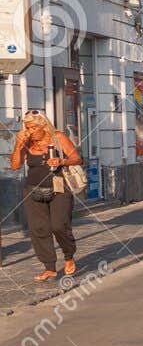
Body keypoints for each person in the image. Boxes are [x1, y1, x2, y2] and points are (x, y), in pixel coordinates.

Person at [8, 110, 81, 281]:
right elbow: (15, 166)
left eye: (33, 127)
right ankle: (49, 267)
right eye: (27, 127)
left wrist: (61, 161)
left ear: (43, 126)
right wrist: (19, 145)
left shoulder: (58, 137)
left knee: (59, 225)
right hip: (32, 189)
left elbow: (76, 158)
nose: (29, 131)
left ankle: (69, 256)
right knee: (38, 229)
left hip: (59, 187)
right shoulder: (26, 141)